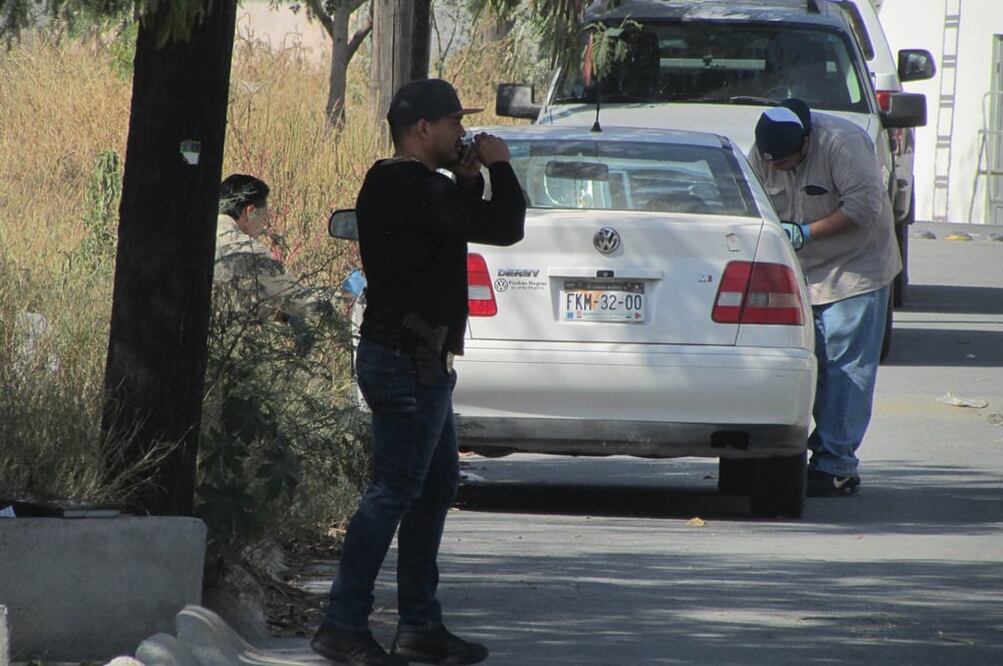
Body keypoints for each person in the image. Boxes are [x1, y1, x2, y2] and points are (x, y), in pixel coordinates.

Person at [311, 79, 526, 666]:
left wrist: (469, 176)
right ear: (422, 130)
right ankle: (343, 624)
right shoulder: (408, 185)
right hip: (405, 362)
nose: (464, 133)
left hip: (421, 361)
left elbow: (458, 221)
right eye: (454, 123)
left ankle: (419, 626)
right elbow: (504, 226)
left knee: (432, 490)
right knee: (393, 493)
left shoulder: (410, 186)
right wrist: (500, 168)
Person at [748, 99, 901, 498]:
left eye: (784, 162)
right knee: (804, 367)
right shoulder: (764, 152)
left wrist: (807, 233)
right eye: (771, 162)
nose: (776, 168)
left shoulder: (843, 143)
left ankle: (836, 465)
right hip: (798, 273)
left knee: (844, 369)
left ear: (806, 142)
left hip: (854, 269)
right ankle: (792, 452)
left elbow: (865, 208)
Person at [215, 174, 330, 323]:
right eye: (264, 217)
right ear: (249, 212)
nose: (264, 225)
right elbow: (297, 300)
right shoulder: (247, 250)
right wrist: (333, 301)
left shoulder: (192, 234)